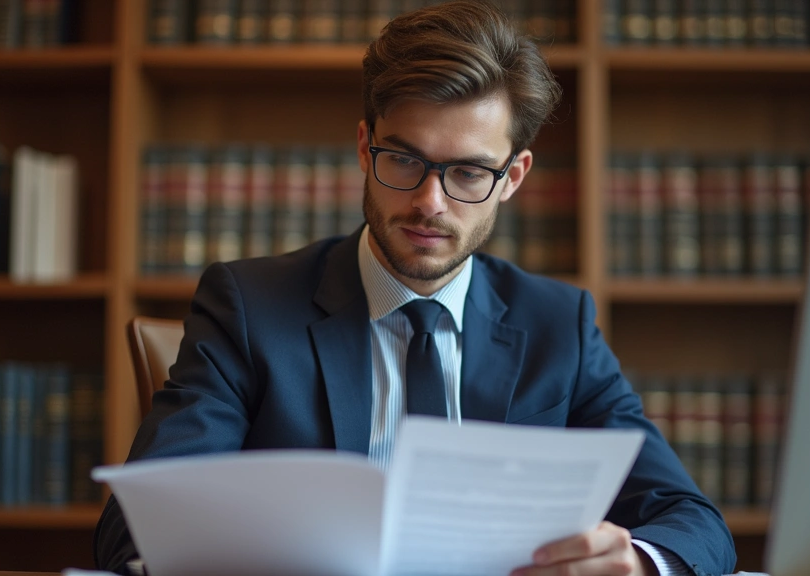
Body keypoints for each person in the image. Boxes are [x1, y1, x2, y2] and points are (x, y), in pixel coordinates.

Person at [95, 2, 737, 575]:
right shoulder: (247, 306)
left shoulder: (558, 324)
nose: (429, 202)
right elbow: (134, 529)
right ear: (363, 146)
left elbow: (693, 521)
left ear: (513, 177)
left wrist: (640, 564)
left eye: (467, 172)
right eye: (403, 159)